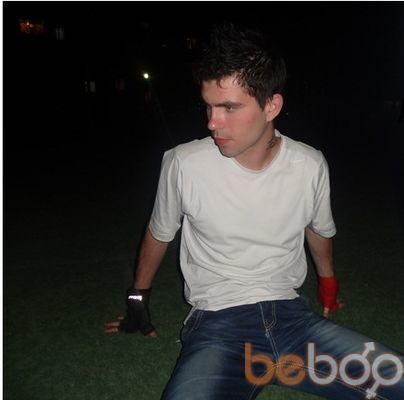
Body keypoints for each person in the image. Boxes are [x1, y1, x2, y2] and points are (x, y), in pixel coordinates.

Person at [105, 22, 404, 399]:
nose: (212, 122)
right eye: (209, 106)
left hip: (296, 325)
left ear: (271, 106)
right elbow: (159, 232)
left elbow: (318, 229)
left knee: (396, 378)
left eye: (229, 108)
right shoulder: (184, 163)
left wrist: (328, 285)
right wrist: (137, 301)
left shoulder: (308, 164)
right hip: (218, 328)